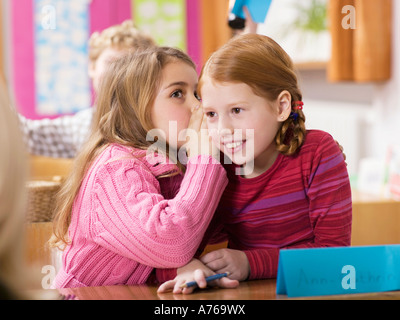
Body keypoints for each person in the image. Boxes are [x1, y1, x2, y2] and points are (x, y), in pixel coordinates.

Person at [158, 33, 352, 294]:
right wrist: (188, 267)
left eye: (237, 110)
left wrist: (251, 263)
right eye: (212, 114)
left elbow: (335, 256)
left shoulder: (318, 153)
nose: (223, 129)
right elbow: (180, 245)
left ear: (281, 106)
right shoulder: (217, 167)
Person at [48, 46, 237, 289]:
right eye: (178, 93)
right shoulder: (114, 170)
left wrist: (178, 267)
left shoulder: (172, 162)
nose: (197, 106)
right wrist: (205, 160)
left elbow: (186, 238)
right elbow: (174, 242)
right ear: (134, 107)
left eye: (197, 94)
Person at [19, 20, 157, 158]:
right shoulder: (83, 125)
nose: (117, 73)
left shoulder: (155, 121)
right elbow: (27, 134)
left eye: (128, 66)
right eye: (111, 62)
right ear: (92, 67)